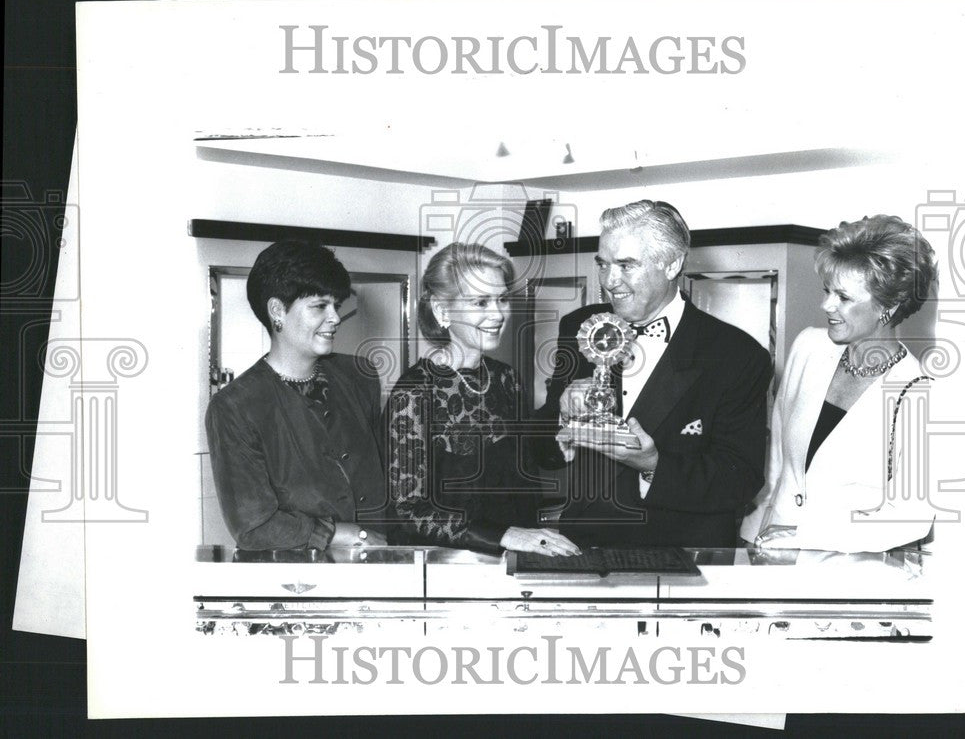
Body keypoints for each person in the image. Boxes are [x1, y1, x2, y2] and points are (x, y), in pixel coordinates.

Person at [535, 200, 772, 548]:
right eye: (603, 264)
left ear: (672, 264)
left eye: (626, 265)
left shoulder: (737, 355)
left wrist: (654, 465)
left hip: (682, 558)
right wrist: (561, 418)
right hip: (583, 549)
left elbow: (739, 480)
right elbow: (539, 450)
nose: (609, 282)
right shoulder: (582, 326)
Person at [740, 215, 937, 552]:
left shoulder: (918, 390)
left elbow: (911, 517)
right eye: (827, 291)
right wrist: (755, 530)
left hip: (848, 568)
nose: (826, 305)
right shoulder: (809, 346)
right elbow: (776, 461)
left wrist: (803, 537)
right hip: (769, 551)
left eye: (844, 298)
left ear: (887, 307)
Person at [386, 242, 580, 557]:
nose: (498, 314)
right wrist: (502, 535)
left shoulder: (507, 379)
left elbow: (523, 473)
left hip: (519, 558)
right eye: (480, 302)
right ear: (442, 310)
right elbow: (409, 511)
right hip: (449, 568)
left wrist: (562, 442)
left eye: (502, 299)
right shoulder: (414, 392)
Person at [205, 240, 389, 556]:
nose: (335, 317)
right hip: (295, 585)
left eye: (336, 305)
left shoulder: (360, 375)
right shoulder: (234, 407)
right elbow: (254, 528)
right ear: (277, 311)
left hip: (378, 572)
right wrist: (343, 534)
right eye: (320, 306)